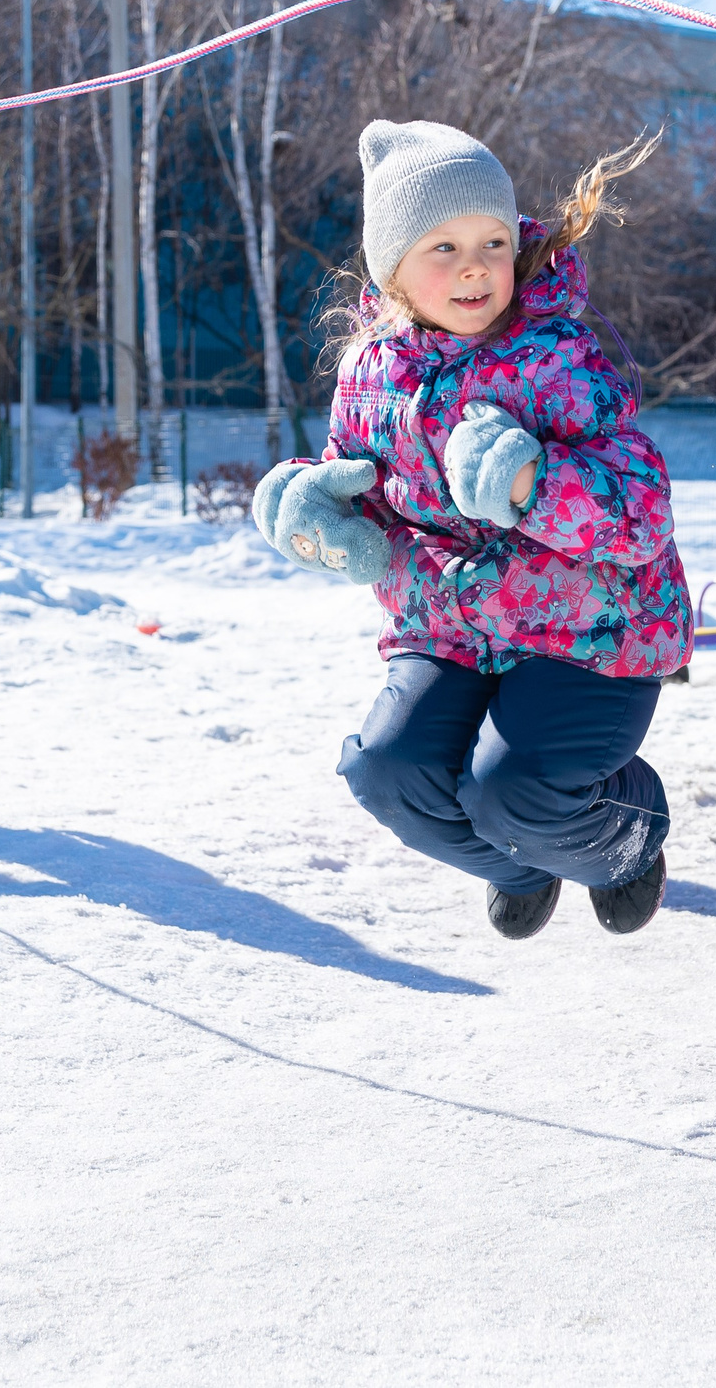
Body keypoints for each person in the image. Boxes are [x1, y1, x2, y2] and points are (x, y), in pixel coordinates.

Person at [252, 121, 687, 940]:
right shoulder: (369, 374)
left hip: (589, 630)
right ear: (393, 271)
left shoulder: (554, 354)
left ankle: (625, 837)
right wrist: (315, 513)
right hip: (449, 628)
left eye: (492, 239)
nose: (476, 265)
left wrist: (534, 483)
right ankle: (519, 860)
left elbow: (642, 513)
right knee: (384, 769)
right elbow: (363, 491)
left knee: (508, 790)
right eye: (442, 247)